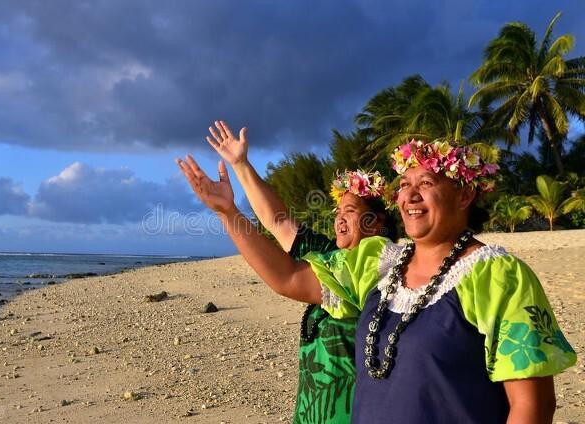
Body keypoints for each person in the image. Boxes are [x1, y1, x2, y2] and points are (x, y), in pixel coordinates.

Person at [176, 138, 576, 423]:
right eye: (404, 184)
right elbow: (288, 277)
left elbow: (533, 408)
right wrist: (228, 212)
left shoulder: (498, 276)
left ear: (465, 195)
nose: (410, 195)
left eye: (427, 184)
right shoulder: (377, 263)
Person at [202, 120, 397, 423]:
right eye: (338, 212)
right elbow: (278, 221)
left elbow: (287, 278)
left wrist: (228, 213)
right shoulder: (331, 254)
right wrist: (240, 165)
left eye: (351, 211)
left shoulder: (375, 260)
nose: (340, 219)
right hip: (312, 410)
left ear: (376, 221)